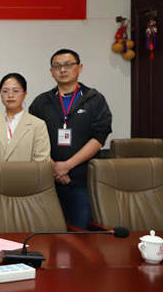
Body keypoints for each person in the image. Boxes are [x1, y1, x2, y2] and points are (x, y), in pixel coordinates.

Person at [29, 49, 112, 229]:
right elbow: (33, 139)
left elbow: (99, 137)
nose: (63, 70)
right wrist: (54, 167)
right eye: (57, 66)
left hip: (83, 181)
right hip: (47, 180)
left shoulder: (94, 99)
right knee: (48, 234)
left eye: (68, 65)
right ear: (51, 72)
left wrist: (67, 165)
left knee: (80, 235)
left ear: (79, 68)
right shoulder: (41, 102)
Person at [0, 73, 51, 163]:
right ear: (0, 94)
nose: (10, 95)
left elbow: (41, 161)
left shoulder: (38, 125)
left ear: (24, 94)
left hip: (27, 173)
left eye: (16, 91)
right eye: (5, 91)